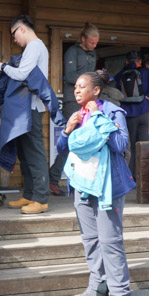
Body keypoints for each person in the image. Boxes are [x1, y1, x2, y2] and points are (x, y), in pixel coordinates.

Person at [57, 70, 136, 296]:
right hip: (82, 184)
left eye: (82, 87)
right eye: (75, 87)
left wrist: (98, 117)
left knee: (110, 242)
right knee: (90, 240)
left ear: (96, 90)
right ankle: (98, 289)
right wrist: (67, 130)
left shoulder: (113, 112)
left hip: (107, 186)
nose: (76, 90)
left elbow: (121, 145)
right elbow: (61, 149)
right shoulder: (76, 115)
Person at [0, 14, 51, 215]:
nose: (14, 39)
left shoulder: (34, 47)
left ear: (21, 29)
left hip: (32, 107)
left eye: (14, 34)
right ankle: (30, 194)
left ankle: (41, 199)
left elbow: (22, 74)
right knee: (25, 154)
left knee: (34, 153)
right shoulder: (34, 47)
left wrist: (3, 67)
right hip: (27, 107)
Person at [49, 23, 98, 197]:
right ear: (83, 39)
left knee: (87, 141)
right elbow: (69, 76)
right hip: (73, 100)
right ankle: (53, 179)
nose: (94, 46)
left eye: (96, 43)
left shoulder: (93, 53)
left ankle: (84, 182)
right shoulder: (72, 52)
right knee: (71, 141)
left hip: (88, 100)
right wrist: (90, 79)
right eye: (91, 42)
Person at [114, 51, 149, 173]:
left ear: (126, 61)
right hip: (145, 112)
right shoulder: (148, 72)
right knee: (145, 147)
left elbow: (117, 94)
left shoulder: (120, 75)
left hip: (128, 114)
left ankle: (131, 176)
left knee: (130, 148)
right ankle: (144, 178)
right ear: (140, 61)